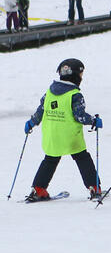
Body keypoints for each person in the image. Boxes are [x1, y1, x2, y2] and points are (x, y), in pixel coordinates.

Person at [23, 58, 103, 201]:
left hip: (52, 136)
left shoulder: (49, 92)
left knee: (50, 160)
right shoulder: (75, 95)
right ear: (76, 75)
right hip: (71, 137)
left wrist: (31, 122)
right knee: (83, 158)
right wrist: (93, 121)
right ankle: (94, 187)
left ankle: (38, 189)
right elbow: (79, 116)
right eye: (81, 74)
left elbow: (41, 111)